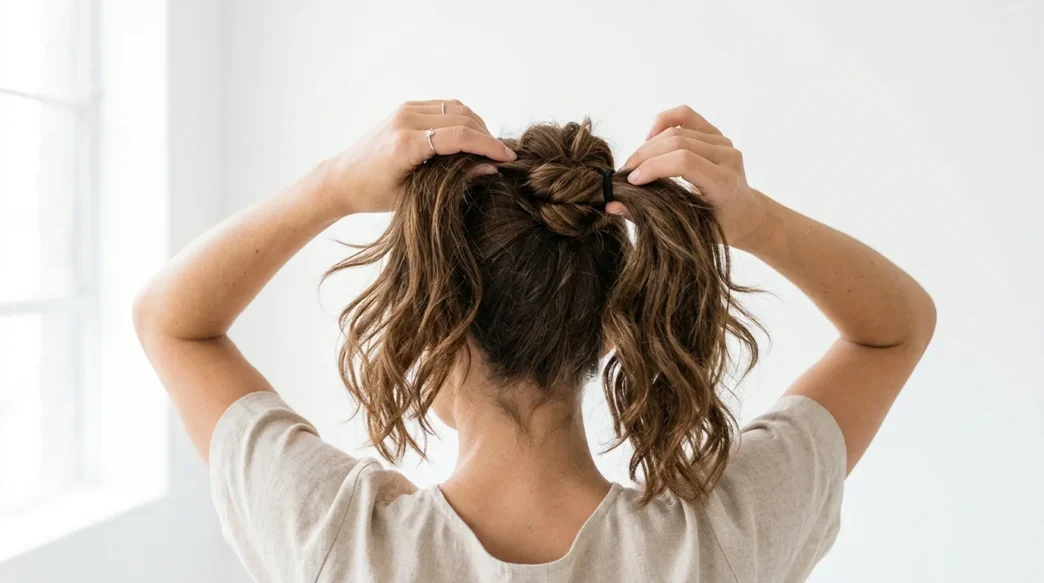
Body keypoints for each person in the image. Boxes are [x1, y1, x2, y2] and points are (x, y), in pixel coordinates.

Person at [133, 101, 936, 582]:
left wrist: (336, 183)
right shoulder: (717, 546)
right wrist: (751, 219)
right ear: (600, 326)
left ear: (433, 328)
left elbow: (172, 321)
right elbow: (894, 330)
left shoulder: (340, 542)